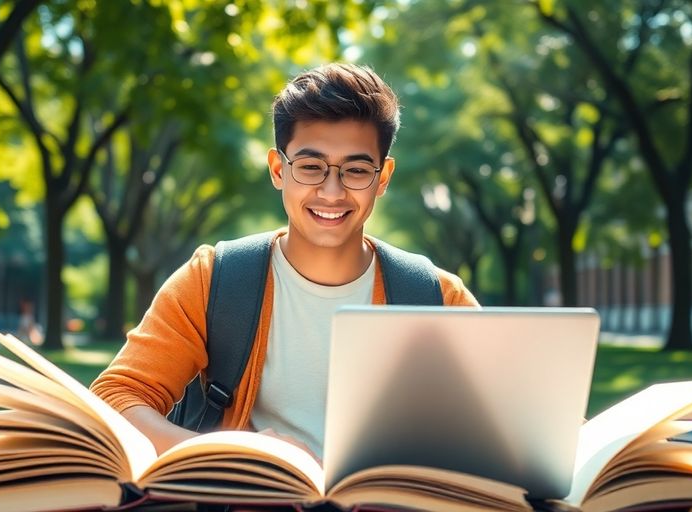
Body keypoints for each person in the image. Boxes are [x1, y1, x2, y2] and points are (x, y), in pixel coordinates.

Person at [90, 63, 478, 459]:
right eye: (311, 167)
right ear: (279, 169)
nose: (332, 192)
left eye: (357, 170)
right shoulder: (214, 279)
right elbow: (114, 397)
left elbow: (499, 424)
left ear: (383, 177)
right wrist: (233, 453)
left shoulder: (437, 296)